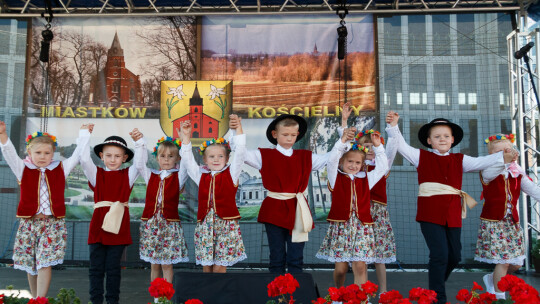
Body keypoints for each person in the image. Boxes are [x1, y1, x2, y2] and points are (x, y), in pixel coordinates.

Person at [385, 112, 516, 304]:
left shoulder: (460, 159)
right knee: (439, 255)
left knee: (454, 256)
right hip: (429, 215)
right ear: (429, 141)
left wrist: (504, 156)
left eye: (446, 136)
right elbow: (401, 146)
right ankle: (438, 298)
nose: (442, 139)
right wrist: (394, 126)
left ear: (453, 139)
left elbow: (482, 161)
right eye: (437, 136)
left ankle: (434, 287)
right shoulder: (420, 157)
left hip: (453, 214)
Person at [230, 113, 349, 273]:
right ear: (275, 134)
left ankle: (295, 295)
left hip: (298, 209)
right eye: (285, 134)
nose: (289, 138)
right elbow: (240, 153)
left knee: (296, 257)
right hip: (274, 210)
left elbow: (332, 158)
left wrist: (342, 138)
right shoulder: (264, 155)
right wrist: (238, 130)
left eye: (293, 135)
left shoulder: (306, 157)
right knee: (276, 256)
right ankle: (276, 295)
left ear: (298, 135)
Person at [0, 121, 90, 298]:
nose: (42, 156)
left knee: (44, 263)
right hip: (29, 224)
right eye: (38, 152)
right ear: (29, 152)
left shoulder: (60, 169)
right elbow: (9, 153)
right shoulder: (23, 169)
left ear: (53, 153)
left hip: (52, 224)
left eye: (47, 153)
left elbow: (77, 155)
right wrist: (3, 135)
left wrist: (84, 134)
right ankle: (35, 298)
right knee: (30, 264)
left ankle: (41, 300)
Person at [316, 128, 388, 289]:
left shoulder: (367, 178)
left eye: (357, 163)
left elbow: (382, 167)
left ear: (363, 165)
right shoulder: (336, 178)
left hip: (362, 226)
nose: (353, 165)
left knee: (360, 266)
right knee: (341, 269)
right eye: (350, 162)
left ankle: (360, 299)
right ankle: (338, 293)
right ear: (342, 162)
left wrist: (378, 147)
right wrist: (342, 142)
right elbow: (332, 160)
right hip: (342, 226)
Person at [341, 103, 398, 294]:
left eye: (371, 145)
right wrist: (344, 122)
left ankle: (383, 292)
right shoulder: (355, 168)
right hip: (359, 211)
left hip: (378, 212)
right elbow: (343, 149)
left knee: (380, 256)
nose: (369, 149)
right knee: (359, 257)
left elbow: (391, 148)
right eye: (365, 146)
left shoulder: (382, 165)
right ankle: (354, 290)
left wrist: (392, 128)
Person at [80, 127, 141, 304]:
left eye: (117, 156)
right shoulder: (96, 174)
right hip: (98, 225)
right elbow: (84, 160)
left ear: (125, 158)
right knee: (96, 268)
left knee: (113, 268)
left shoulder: (127, 175)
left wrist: (139, 142)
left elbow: (139, 164)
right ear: (101, 156)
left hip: (118, 225)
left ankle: (112, 301)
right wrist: (85, 135)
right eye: (108, 155)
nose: (112, 159)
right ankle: (96, 301)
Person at [475, 134, 539, 300]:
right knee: (503, 262)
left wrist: (510, 163)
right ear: (492, 156)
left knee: (516, 263)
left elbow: (533, 190)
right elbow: (491, 173)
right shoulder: (488, 170)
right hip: (494, 223)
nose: (506, 153)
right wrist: (503, 160)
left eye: (508, 150)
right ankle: (499, 297)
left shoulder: (516, 172)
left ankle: (491, 279)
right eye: (501, 152)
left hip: (512, 223)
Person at [179, 117, 247, 272]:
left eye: (220, 156)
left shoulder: (232, 173)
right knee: (207, 266)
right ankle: (207, 295)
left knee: (219, 267)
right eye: (211, 157)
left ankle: (218, 294)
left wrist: (238, 129)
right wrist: (186, 136)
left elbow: (241, 151)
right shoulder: (200, 175)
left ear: (227, 158)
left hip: (226, 225)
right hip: (205, 225)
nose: (216, 159)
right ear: (205, 159)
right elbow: (188, 160)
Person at [132, 129, 189, 284]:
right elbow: (139, 164)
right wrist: (139, 143)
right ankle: (156, 298)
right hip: (151, 225)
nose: (166, 160)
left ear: (177, 158)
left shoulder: (179, 176)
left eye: (170, 156)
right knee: (154, 264)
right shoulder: (151, 175)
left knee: (166, 264)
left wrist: (185, 139)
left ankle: (166, 298)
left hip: (169, 225)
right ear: (156, 158)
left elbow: (186, 164)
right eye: (162, 156)